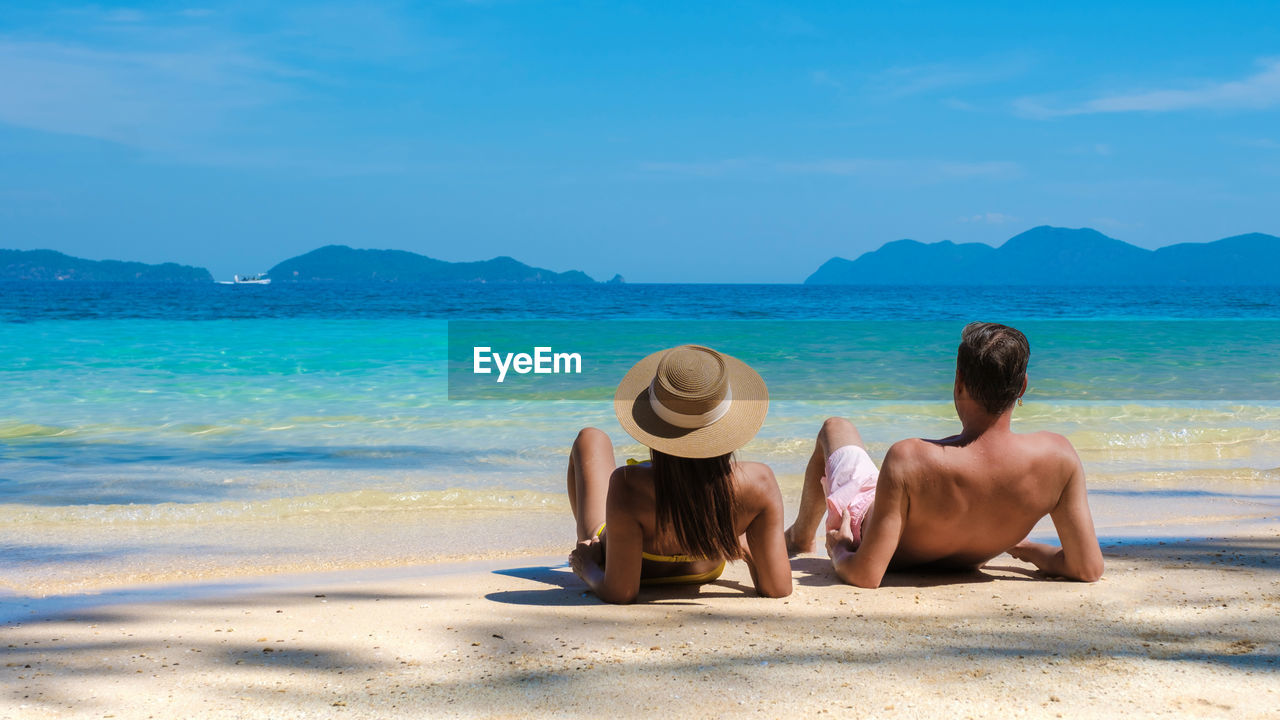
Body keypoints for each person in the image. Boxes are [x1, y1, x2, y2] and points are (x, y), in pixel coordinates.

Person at [784, 322, 1104, 588]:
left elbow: (866, 574)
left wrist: (838, 548)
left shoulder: (910, 459)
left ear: (959, 381)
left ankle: (801, 537)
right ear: (1022, 387)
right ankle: (799, 536)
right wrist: (1026, 549)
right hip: (975, 549)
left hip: (877, 536)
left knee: (835, 426)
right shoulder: (1059, 458)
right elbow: (1087, 568)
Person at [567, 344, 792, 603]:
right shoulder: (760, 481)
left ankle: (588, 542)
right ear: (728, 425)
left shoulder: (628, 484)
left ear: (651, 422)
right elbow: (778, 587)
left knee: (590, 438)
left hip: (631, 569)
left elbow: (621, 592)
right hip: (705, 568)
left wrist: (587, 567)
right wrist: (743, 546)